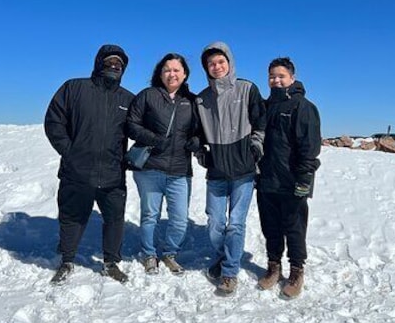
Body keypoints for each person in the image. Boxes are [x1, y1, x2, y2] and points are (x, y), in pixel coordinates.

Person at [43, 44, 135, 285]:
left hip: (113, 173)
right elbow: (54, 121)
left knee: (115, 220)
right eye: (110, 61)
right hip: (77, 172)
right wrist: (69, 152)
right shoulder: (74, 88)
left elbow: (146, 128)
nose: (114, 66)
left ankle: (111, 263)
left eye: (119, 63)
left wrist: (137, 154)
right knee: (72, 217)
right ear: (98, 63)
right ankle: (67, 260)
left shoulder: (127, 99)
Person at [194, 41, 266, 295]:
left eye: (221, 62)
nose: (217, 67)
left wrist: (255, 148)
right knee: (215, 223)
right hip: (216, 171)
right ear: (206, 67)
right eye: (211, 63)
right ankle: (224, 255)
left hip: (244, 172)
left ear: (229, 62)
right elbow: (195, 133)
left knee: (236, 223)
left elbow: (261, 124)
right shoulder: (201, 99)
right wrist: (200, 151)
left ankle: (230, 272)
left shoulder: (247, 89)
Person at [126, 53, 200, 276]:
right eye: (167, 69)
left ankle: (169, 254)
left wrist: (197, 140)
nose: (172, 74)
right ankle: (149, 254)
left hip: (179, 171)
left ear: (185, 74)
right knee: (150, 215)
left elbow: (200, 130)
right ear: (160, 73)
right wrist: (153, 138)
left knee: (179, 220)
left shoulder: (192, 101)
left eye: (177, 69)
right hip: (150, 168)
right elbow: (131, 124)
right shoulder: (148, 96)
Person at [256, 56, 321, 299]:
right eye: (272, 76)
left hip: (293, 181)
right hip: (267, 180)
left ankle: (296, 271)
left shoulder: (303, 107)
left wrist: (304, 179)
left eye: (281, 76)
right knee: (270, 227)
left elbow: (309, 148)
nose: (276, 80)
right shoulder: (265, 106)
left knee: (294, 228)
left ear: (292, 78)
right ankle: (273, 268)